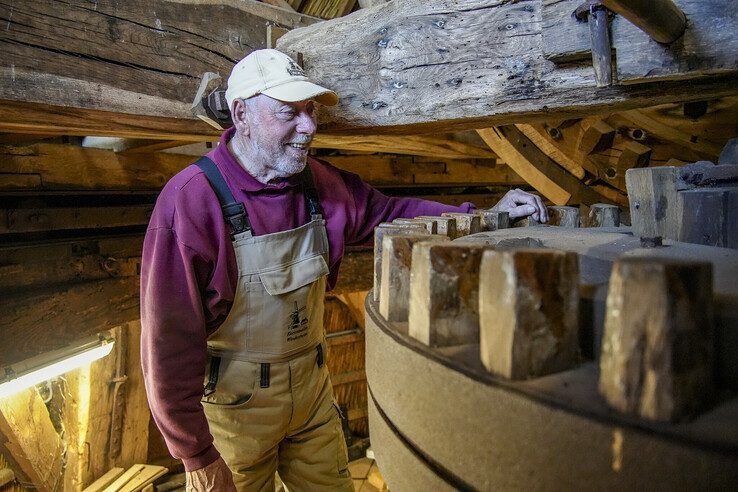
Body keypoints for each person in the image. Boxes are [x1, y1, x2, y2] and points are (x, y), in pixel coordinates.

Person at [140, 49, 548, 492]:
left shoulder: (320, 184)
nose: (309, 127)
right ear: (243, 114)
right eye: (289, 113)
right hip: (236, 413)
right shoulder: (192, 200)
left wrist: (484, 214)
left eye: (310, 111)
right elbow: (167, 339)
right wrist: (196, 453)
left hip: (313, 396)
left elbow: (393, 212)